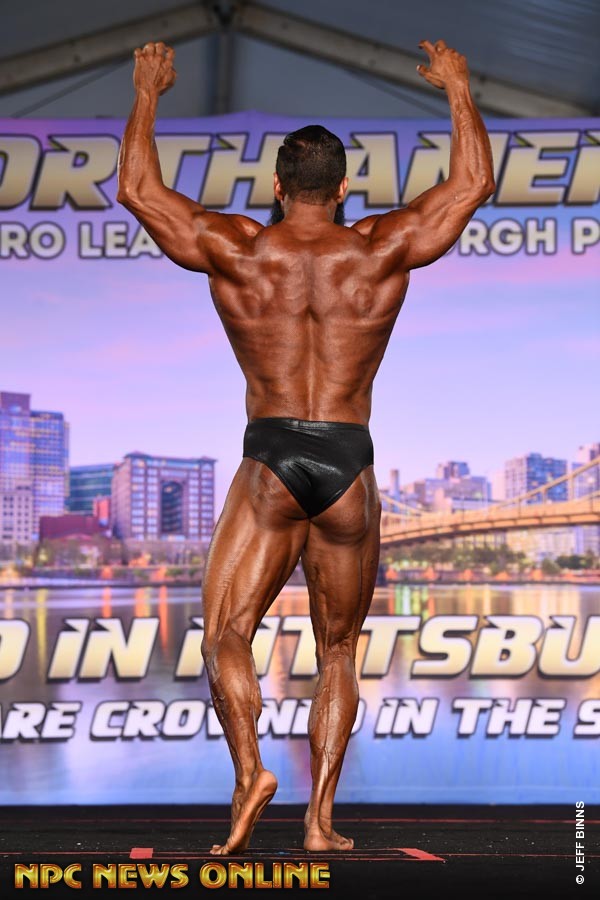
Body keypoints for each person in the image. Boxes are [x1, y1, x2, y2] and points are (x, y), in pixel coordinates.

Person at [117, 38, 495, 855]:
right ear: (345, 189)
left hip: (271, 456)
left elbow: (139, 191)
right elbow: (472, 184)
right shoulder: (380, 248)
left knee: (226, 629)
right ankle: (320, 823)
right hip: (349, 461)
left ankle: (251, 772)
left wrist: (148, 93)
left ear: (278, 186)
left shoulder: (240, 249)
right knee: (338, 650)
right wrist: (458, 88)